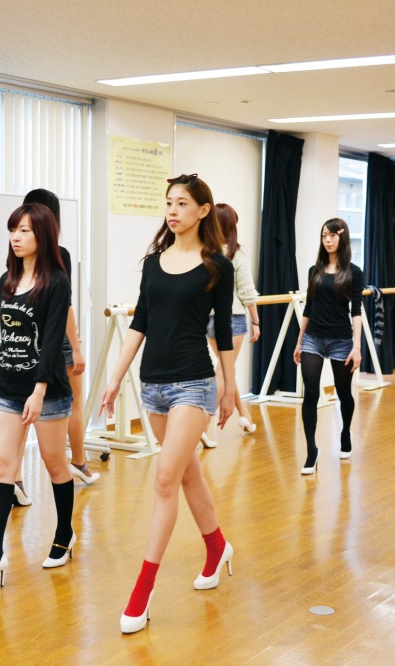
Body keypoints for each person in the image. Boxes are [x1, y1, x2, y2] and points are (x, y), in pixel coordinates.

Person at [100, 174, 236, 634]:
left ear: (203, 210)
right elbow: (140, 321)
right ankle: (217, 547)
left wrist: (229, 386)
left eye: (182, 203)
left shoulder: (216, 266)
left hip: (194, 384)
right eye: (168, 203)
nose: (172, 211)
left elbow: (222, 331)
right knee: (186, 473)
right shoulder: (153, 263)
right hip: (153, 385)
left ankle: (142, 592)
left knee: (164, 479)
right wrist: (115, 378)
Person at [0, 203, 76, 592]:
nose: (16, 236)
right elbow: (9, 336)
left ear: (42, 236)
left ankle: (64, 532)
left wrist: (40, 389)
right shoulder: (7, 280)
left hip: (47, 389)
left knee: (54, 463)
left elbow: (52, 340)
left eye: (25, 230)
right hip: (7, 387)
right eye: (13, 229)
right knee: (2, 468)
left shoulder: (57, 282)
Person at [11, 189, 98, 508]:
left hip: (23, 342)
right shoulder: (59, 254)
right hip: (55, 340)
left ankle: (15, 479)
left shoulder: (16, 256)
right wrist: (76, 347)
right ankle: (79, 463)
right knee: (73, 403)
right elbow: (66, 308)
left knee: (20, 412)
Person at [293, 218, 363, 474]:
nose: (328, 240)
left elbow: (356, 310)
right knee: (310, 394)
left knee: (344, 393)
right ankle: (312, 450)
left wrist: (357, 347)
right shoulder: (315, 270)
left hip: (341, 341)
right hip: (313, 339)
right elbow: (309, 308)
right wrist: (299, 341)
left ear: (342, 238)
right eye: (324, 235)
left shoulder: (354, 272)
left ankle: (345, 433)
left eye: (332, 235)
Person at [205, 203, 260, 437]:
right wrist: (256, 321)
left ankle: (244, 414)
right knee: (222, 372)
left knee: (226, 369)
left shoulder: (205, 253)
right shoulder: (235, 254)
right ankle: (200, 425)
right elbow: (247, 291)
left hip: (209, 320)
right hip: (233, 319)